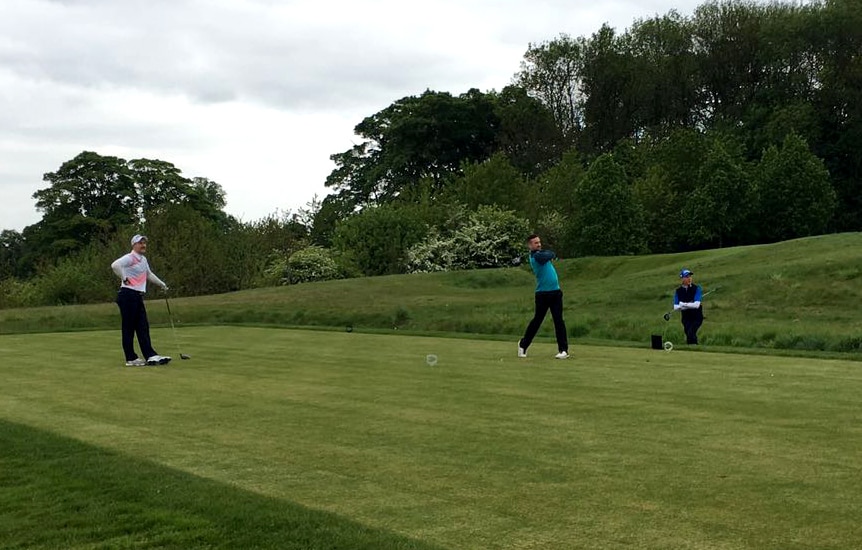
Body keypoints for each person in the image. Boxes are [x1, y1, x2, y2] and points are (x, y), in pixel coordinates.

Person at [111, 234, 171, 366]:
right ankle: (130, 358)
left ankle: (150, 355)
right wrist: (124, 277)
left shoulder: (143, 259)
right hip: (127, 295)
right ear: (134, 245)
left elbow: (149, 274)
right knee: (129, 327)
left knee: (143, 326)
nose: (143, 245)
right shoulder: (130, 258)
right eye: (140, 243)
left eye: (144, 243)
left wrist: (162, 284)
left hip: (137, 295)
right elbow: (115, 265)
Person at [518, 234, 569, 359]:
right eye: (535, 243)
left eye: (539, 242)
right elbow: (550, 254)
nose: (539, 244)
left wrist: (551, 253)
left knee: (558, 321)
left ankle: (563, 350)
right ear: (529, 245)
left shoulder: (540, 253)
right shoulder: (536, 256)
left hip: (555, 292)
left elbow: (551, 254)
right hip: (542, 294)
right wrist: (551, 253)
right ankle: (523, 344)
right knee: (537, 320)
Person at [673, 268, 704, 345]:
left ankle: (694, 347)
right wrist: (689, 305)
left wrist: (683, 305)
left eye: (690, 276)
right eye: (686, 277)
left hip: (697, 317)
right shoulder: (678, 291)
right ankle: (692, 348)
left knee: (691, 332)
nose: (689, 278)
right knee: (688, 333)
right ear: (682, 278)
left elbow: (696, 305)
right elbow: (676, 307)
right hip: (686, 318)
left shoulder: (697, 288)